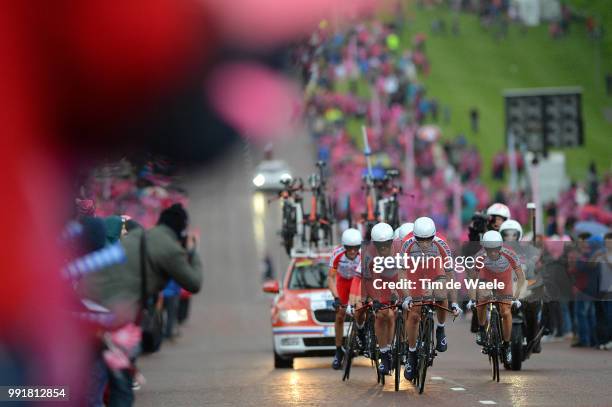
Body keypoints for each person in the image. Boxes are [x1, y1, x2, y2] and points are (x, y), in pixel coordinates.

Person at [401, 217, 461, 380]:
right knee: (414, 313)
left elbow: (450, 275)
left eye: (428, 240)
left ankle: (440, 328)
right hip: (414, 273)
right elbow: (402, 273)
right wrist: (406, 297)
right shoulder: (407, 245)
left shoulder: (442, 244)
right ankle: (412, 354)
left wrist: (454, 302)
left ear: (434, 236)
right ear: (415, 237)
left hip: (436, 269)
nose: (425, 244)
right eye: (421, 240)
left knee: (442, 294)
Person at [467, 231, 525, 365]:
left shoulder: (510, 255)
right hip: (486, 280)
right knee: (481, 301)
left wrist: (516, 297)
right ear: (484, 249)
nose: (493, 253)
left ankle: (507, 344)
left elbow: (521, 277)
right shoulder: (479, 257)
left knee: (505, 311)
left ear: (500, 247)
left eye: (496, 250)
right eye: (489, 250)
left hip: (504, 282)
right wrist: (472, 299)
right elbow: (472, 280)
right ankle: (482, 329)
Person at [499, 219, 543, 352]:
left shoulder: (526, 252)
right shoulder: (496, 250)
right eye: (507, 234)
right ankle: (488, 334)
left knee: (535, 306)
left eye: (513, 234)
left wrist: (538, 270)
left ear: (519, 235)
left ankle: (535, 338)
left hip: (521, 289)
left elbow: (533, 269)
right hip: (502, 289)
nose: (510, 237)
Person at [328, 228, 363, 370]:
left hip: (358, 280)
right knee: (340, 315)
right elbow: (330, 277)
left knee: (360, 308)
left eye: (356, 248)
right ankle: (338, 351)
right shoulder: (337, 254)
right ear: (344, 246)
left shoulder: (363, 254)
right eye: (349, 248)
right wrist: (336, 297)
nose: (353, 251)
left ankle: (361, 333)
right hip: (342, 282)